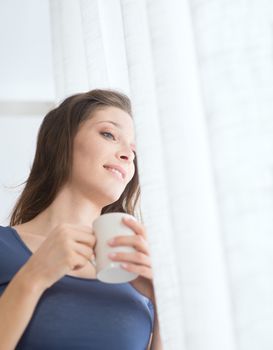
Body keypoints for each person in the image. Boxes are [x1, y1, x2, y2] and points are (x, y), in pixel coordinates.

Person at [0, 89, 160, 349]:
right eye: (109, 134)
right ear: (61, 141)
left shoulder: (135, 279)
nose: (128, 155)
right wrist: (33, 277)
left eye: (134, 151)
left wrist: (162, 304)